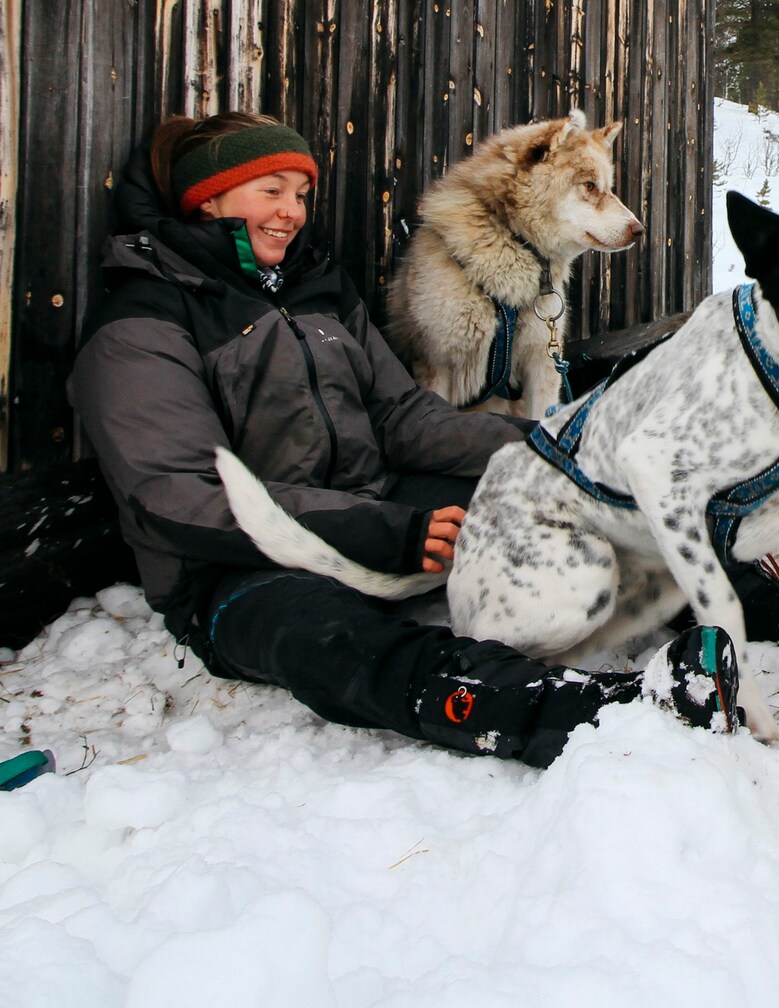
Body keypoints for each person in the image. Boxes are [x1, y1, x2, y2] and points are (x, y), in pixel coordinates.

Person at [69, 113, 741, 767]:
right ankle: (595, 714)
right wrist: (381, 532)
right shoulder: (142, 321)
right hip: (234, 568)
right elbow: (180, 498)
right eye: (268, 191)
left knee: (572, 495)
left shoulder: (313, 289)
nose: (290, 212)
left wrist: (550, 449)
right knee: (337, 643)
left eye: (299, 194)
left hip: (375, 499)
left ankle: (755, 614)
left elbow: (401, 417)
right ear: (205, 199)